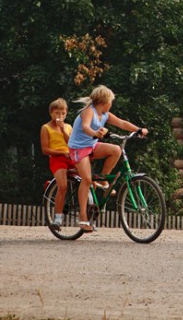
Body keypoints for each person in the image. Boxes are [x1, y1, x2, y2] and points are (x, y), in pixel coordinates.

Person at [68, 85, 147, 232]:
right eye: (111, 101)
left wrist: (138, 130)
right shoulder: (88, 112)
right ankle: (83, 217)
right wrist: (95, 133)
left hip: (91, 145)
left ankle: (104, 180)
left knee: (116, 150)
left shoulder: (105, 114)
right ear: (104, 101)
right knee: (86, 179)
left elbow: (122, 123)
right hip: (78, 148)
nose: (111, 104)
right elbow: (85, 127)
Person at [40, 98, 72, 230]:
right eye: (57, 113)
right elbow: (45, 149)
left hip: (70, 156)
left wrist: (63, 130)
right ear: (51, 113)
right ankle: (58, 218)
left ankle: (88, 215)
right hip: (57, 158)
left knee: (88, 179)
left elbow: (72, 144)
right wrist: (61, 153)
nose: (60, 116)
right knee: (63, 186)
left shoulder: (68, 127)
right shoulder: (46, 128)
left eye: (63, 113)